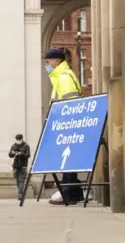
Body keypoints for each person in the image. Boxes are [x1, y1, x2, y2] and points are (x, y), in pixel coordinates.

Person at [44, 48, 84, 205]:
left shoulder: (64, 77)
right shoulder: (60, 77)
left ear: (57, 61)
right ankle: (72, 191)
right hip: (64, 124)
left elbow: (70, 103)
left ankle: (68, 191)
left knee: (66, 159)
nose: (46, 65)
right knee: (67, 159)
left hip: (67, 125)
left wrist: (61, 122)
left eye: (48, 62)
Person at [9, 134, 31, 201]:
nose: (18, 141)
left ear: (22, 139)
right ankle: (20, 194)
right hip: (15, 166)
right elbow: (10, 155)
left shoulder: (26, 146)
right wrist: (12, 153)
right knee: (17, 181)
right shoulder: (13, 146)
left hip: (23, 166)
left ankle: (20, 195)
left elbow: (28, 155)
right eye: (17, 140)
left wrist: (21, 154)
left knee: (21, 180)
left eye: (19, 140)